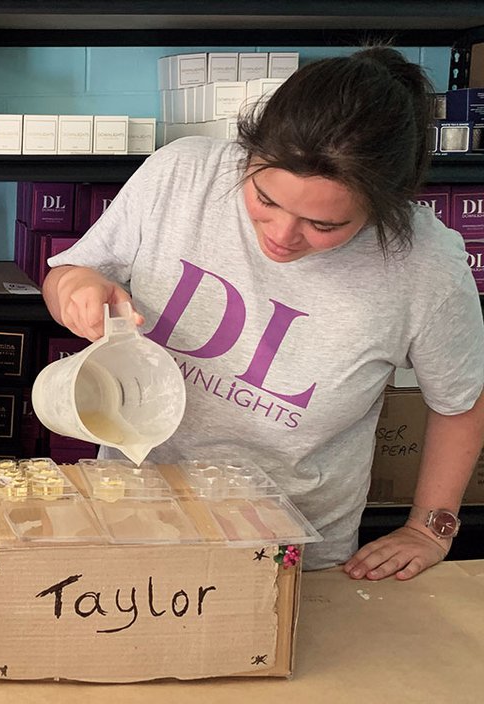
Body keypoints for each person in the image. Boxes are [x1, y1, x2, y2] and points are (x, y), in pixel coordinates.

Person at [42, 47, 484, 580]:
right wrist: (75, 286)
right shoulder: (183, 175)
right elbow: (67, 273)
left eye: (323, 226)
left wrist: (429, 527)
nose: (281, 236)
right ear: (248, 153)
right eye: (264, 198)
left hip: (291, 549)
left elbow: (461, 401)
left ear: (388, 205)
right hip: (136, 518)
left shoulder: (426, 265)